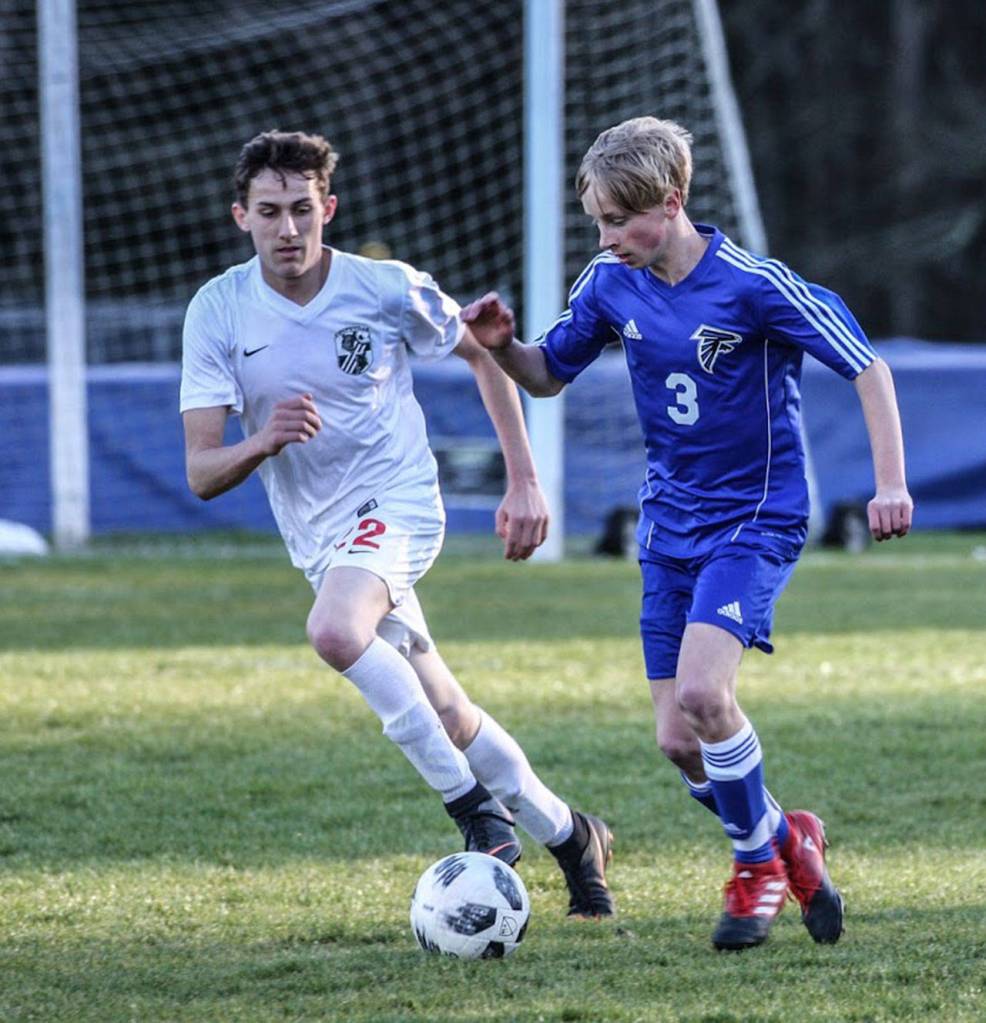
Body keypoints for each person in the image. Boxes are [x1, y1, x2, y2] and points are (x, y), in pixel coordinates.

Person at [463, 116, 913, 950]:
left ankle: (755, 867)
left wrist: (891, 482)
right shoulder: (610, 281)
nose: (605, 239)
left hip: (755, 518)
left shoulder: (752, 285)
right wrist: (501, 348)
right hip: (668, 526)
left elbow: (869, 365)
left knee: (706, 696)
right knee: (677, 739)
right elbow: (548, 374)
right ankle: (790, 841)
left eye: (617, 221)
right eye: (596, 222)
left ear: (670, 202)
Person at [179, 130, 613, 918]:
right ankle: (572, 835)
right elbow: (203, 471)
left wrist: (523, 481)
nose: (287, 229)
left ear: (329, 208)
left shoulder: (385, 288)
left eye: (302, 209)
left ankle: (474, 810)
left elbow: (483, 353)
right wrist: (263, 439)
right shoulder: (217, 310)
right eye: (269, 212)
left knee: (334, 631)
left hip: (399, 503)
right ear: (241, 216)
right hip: (321, 539)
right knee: (446, 710)